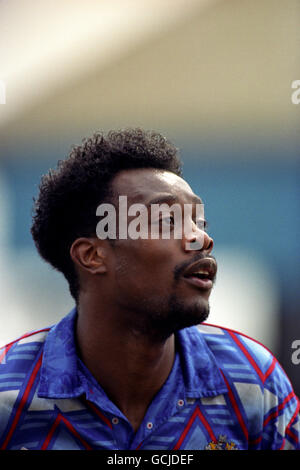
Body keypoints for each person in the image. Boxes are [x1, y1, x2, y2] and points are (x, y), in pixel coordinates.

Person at [0, 128, 299, 451]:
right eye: (168, 220)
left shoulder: (253, 381)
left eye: (200, 222)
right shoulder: (9, 396)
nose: (201, 238)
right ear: (92, 255)